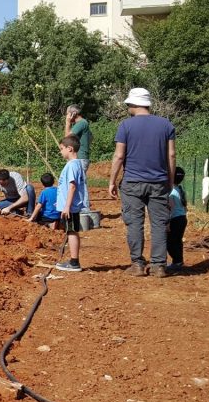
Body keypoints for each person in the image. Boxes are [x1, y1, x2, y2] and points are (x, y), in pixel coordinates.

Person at [108, 88, 176, 278]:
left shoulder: (126, 126)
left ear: (133, 104)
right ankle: (158, 266)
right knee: (159, 224)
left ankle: (137, 264)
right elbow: (171, 154)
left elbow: (119, 155)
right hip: (159, 182)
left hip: (132, 182)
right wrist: (170, 181)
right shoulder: (166, 124)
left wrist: (112, 181)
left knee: (135, 223)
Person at [54, 136, 89, 272]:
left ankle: (74, 262)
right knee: (71, 231)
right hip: (69, 205)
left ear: (70, 149)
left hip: (70, 207)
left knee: (71, 231)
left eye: (62, 149)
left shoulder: (72, 165)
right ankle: (73, 261)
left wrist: (67, 206)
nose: (60, 152)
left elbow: (72, 186)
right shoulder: (76, 164)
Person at [64, 105, 93, 208]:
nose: (66, 116)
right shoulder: (83, 124)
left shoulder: (81, 123)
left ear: (73, 114)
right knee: (79, 184)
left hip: (80, 158)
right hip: (82, 157)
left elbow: (67, 139)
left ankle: (85, 209)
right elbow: (91, 138)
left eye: (67, 113)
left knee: (80, 185)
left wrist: (67, 123)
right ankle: (81, 207)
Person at [166, 167, 188, 273]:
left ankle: (176, 262)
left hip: (174, 219)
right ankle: (178, 261)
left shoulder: (170, 192)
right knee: (177, 241)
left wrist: (168, 223)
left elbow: (170, 208)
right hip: (182, 218)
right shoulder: (180, 189)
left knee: (169, 242)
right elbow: (185, 207)